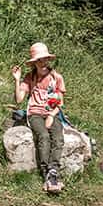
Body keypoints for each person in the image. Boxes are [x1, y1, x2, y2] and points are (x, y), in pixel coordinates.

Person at [12, 42, 66, 193]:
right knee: (43, 136)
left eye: (45, 59)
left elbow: (60, 102)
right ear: (34, 62)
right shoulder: (30, 77)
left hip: (51, 112)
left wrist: (51, 115)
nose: (42, 63)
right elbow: (18, 99)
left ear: (48, 60)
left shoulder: (57, 78)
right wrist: (17, 79)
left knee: (58, 137)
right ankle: (45, 172)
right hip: (34, 113)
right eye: (39, 60)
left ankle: (53, 171)